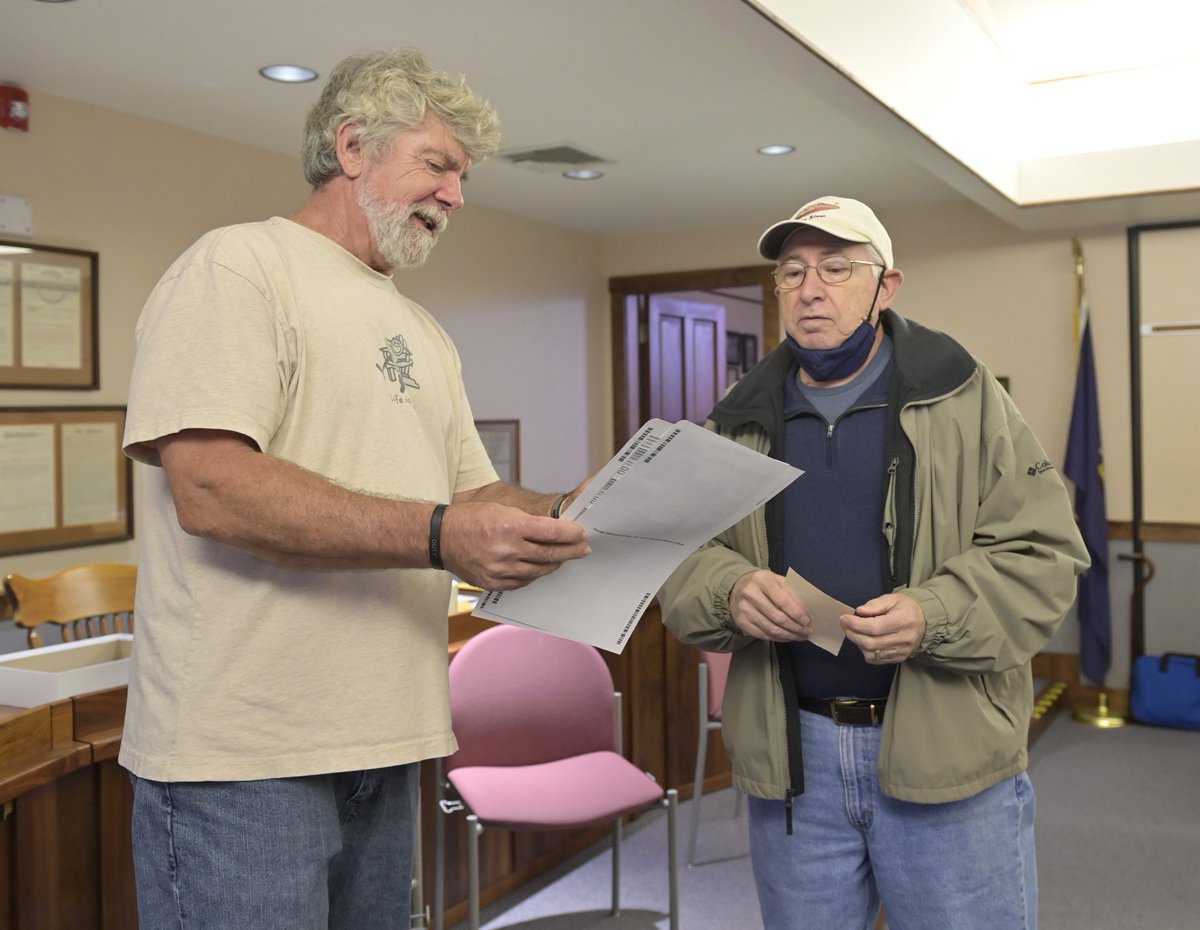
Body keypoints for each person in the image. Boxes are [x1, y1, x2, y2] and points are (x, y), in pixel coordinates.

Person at [120, 48, 590, 930]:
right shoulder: (238, 266)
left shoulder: (421, 328)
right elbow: (212, 487)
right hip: (243, 761)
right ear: (350, 147)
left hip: (386, 742)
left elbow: (475, 498)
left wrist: (583, 506)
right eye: (437, 164)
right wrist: (440, 535)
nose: (456, 195)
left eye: (463, 176)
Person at [658, 196, 1089, 929]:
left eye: (836, 268)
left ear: (886, 286)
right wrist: (729, 590)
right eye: (792, 272)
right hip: (796, 761)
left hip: (945, 751)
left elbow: (1044, 554)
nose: (810, 289)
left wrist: (933, 614)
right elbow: (683, 557)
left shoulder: (962, 395)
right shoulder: (736, 416)